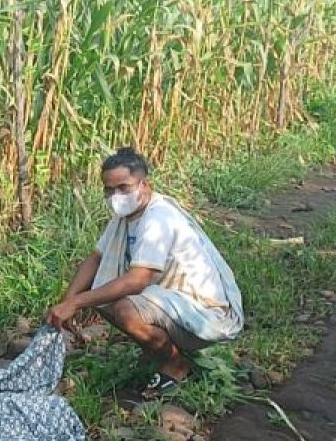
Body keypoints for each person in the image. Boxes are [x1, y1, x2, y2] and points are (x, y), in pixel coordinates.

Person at [45, 147, 244, 399]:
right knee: (103, 294)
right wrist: (67, 302)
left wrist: (77, 302)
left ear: (144, 185)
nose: (116, 196)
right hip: (170, 301)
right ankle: (157, 352)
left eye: (124, 187)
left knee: (124, 309)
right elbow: (96, 259)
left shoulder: (158, 219)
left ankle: (175, 364)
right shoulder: (124, 218)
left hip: (202, 310)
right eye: (109, 189)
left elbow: (138, 279)